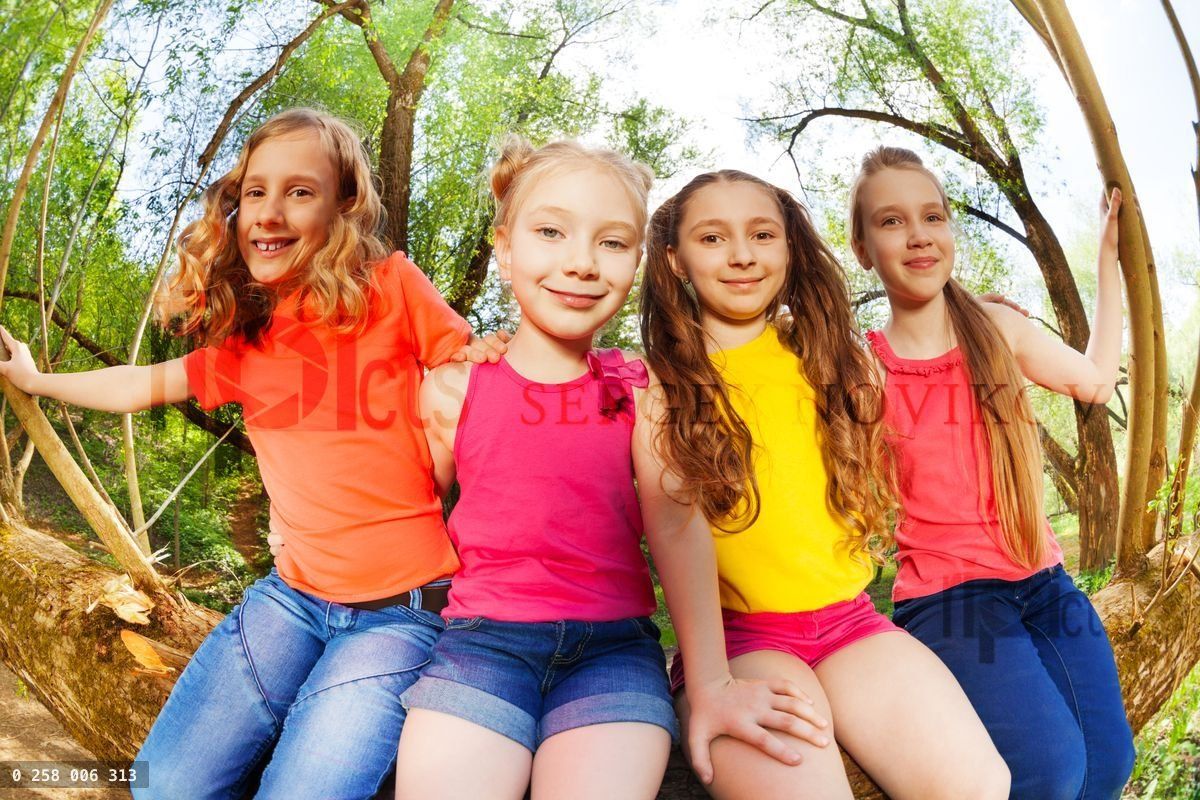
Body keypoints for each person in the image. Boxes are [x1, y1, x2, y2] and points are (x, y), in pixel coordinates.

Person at [0, 107, 505, 800]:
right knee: (165, 785)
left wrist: (501, 355)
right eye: (255, 192)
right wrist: (34, 379)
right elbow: (138, 385)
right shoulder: (247, 345)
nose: (270, 211)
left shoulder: (392, 285)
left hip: (403, 610)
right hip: (290, 599)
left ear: (343, 206)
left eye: (300, 191)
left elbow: (470, 373)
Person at [393, 139, 828, 800]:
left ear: (638, 262)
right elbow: (410, 521)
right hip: (480, 648)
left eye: (612, 243)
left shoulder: (640, 390)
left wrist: (710, 683)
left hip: (613, 656)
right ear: (506, 249)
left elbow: (677, 528)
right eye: (551, 233)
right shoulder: (456, 389)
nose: (581, 264)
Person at [639, 168, 1010, 799]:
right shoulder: (657, 388)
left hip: (852, 624)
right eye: (712, 238)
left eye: (762, 234)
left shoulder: (833, 362)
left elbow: (934, 360)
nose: (741, 255)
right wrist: (710, 688)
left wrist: (996, 319)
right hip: (744, 640)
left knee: (981, 785)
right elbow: (674, 529)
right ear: (674, 258)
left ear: (789, 248)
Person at [851, 145, 1135, 800]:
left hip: (1046, 583)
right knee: (1049, 771)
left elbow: (1094, 382)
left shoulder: (999, 328)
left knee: (1108, 767)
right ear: (862, 247)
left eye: (933, 215)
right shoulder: (863, 366)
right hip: (953, 602)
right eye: (891, 222)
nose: (919, 234)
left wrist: (1108, 260)